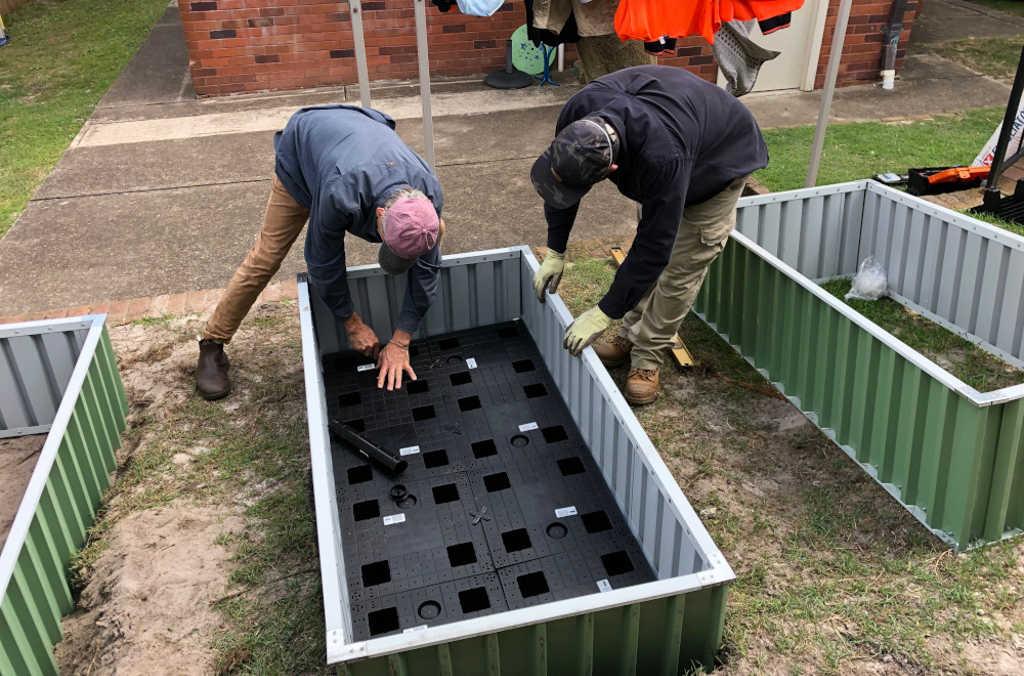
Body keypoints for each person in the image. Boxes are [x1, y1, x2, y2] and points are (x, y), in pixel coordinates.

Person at [530, 65, 768, 405]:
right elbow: (561, 187)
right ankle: (628, 335)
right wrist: (556, 249)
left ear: (612, 170)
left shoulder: (661, 157)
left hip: (718, 161)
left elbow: (654, 248)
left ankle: (647, 357)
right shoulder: (578, 113)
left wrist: (602, 311)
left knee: (680, 265)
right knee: (649, 247)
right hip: (680, 135)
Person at [196, 105, 445, 400]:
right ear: (378, 214)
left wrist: (401, 340)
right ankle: (212, 345)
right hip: (304, 153)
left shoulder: (428, 201)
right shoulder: (341, 193)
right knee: (267, 256)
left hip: (354, 141)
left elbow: (428, 269)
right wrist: (351, 323)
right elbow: (323, 262)